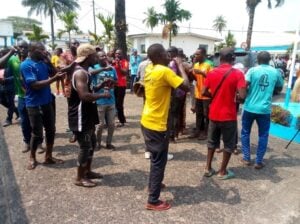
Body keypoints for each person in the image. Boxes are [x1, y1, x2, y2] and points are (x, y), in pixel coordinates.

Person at [141, 43, 189, 211]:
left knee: (156, 158)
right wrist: (181, 66)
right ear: (158, 56)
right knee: (158, 161)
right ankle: (153, 200)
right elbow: (186, 86)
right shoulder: (164, 71)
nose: (168, 56)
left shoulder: (150, 69)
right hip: (157, 124)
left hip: (147, 120)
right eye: (164, 53)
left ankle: (154, 185)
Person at [68, 44, 111, 187]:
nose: (96, 58)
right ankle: (79, 178)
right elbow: (85, 96)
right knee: (85, 146)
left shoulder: (86, 71)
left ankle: (88, 171)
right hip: (81, 116)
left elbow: (89, 89)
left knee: (91, 144)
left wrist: (101, 85)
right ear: (88, 57)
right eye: (94, 55)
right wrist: (102, 94)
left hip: (88, 114)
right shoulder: (80, 73)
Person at [202, 47, 246, 179]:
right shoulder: (238, 74)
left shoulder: (211, 73)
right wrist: (233, 96)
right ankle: (222, 171)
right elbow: (242, 97)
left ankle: (208, 168)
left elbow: (204, 92)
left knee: (211, 142)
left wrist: (215, 96)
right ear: (233, 59)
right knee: (228, 144)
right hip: (228, 115)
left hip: (214, 114)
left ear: (219, 59)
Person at [20, 42, 65, 170]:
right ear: (33, 50)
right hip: (34, 104)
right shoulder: (26, 65)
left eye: (45, 50)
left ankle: (49, 156)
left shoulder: (43, 63)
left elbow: (55, 73)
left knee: (51, 130)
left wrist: (48, 61)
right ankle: (32, 157)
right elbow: (35, 85)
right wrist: (54, 78)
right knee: (37, 133)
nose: (44, 51)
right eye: (42, 50)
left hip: (47, 102)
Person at [241, 51, 284, 169]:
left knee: (245, 132)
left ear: (258, 60)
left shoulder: (252, 71)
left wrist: (245, 96)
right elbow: (280, 87)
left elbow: (244, 85)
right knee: (263, 135)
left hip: (249, 107)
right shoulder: (275, 72)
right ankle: (258, 161)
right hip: (264, 109)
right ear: (269, 60)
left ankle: (246, 158)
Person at [89, 50, 118, 150]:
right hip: (100, 101)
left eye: (105, 55)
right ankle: (98, 143)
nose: (104, 57)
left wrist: (111, 81)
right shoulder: (94, 68)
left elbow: (116, 82)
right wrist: (104, 69)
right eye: (101, 56)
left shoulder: (112, 68)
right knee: (100, 125)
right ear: (97, 58)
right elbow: (94, 88)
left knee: (111, 124)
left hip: (111, 100)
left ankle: (108, 143)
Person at [189, 47, 213, 140]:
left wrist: (202, 73)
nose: (195, 56)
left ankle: (206, 132)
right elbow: (195, 79)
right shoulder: (196, 65)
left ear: (203, 55)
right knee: (198, 114)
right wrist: (191, 73)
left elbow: (212, 78)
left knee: (206, 114)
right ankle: (197, 131)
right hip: (198, 93)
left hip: (207, 94)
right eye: (195, 54)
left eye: (197, 54)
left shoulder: (209, 64)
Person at [0, 48, 19, 127]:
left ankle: (9, 119)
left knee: (10, 102)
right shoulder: (1, 64)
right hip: (1, 86)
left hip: (10, 86)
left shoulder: (13, 63)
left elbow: (17, 75)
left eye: (2, 54)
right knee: (2, 101)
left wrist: (6, 80)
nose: (1, 56)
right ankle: (17, 111)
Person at [113, 49, 129, 127]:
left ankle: (122, 121)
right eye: (116, 53)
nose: (117, 55)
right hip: (114, 85)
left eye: (119, 54)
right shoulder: (113, 62)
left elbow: (125, 72)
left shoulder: (125, 62)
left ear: (122, 54)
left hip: (121, 85)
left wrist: (119, 65)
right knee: (115, 103)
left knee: (119, 104)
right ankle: (120, 118)